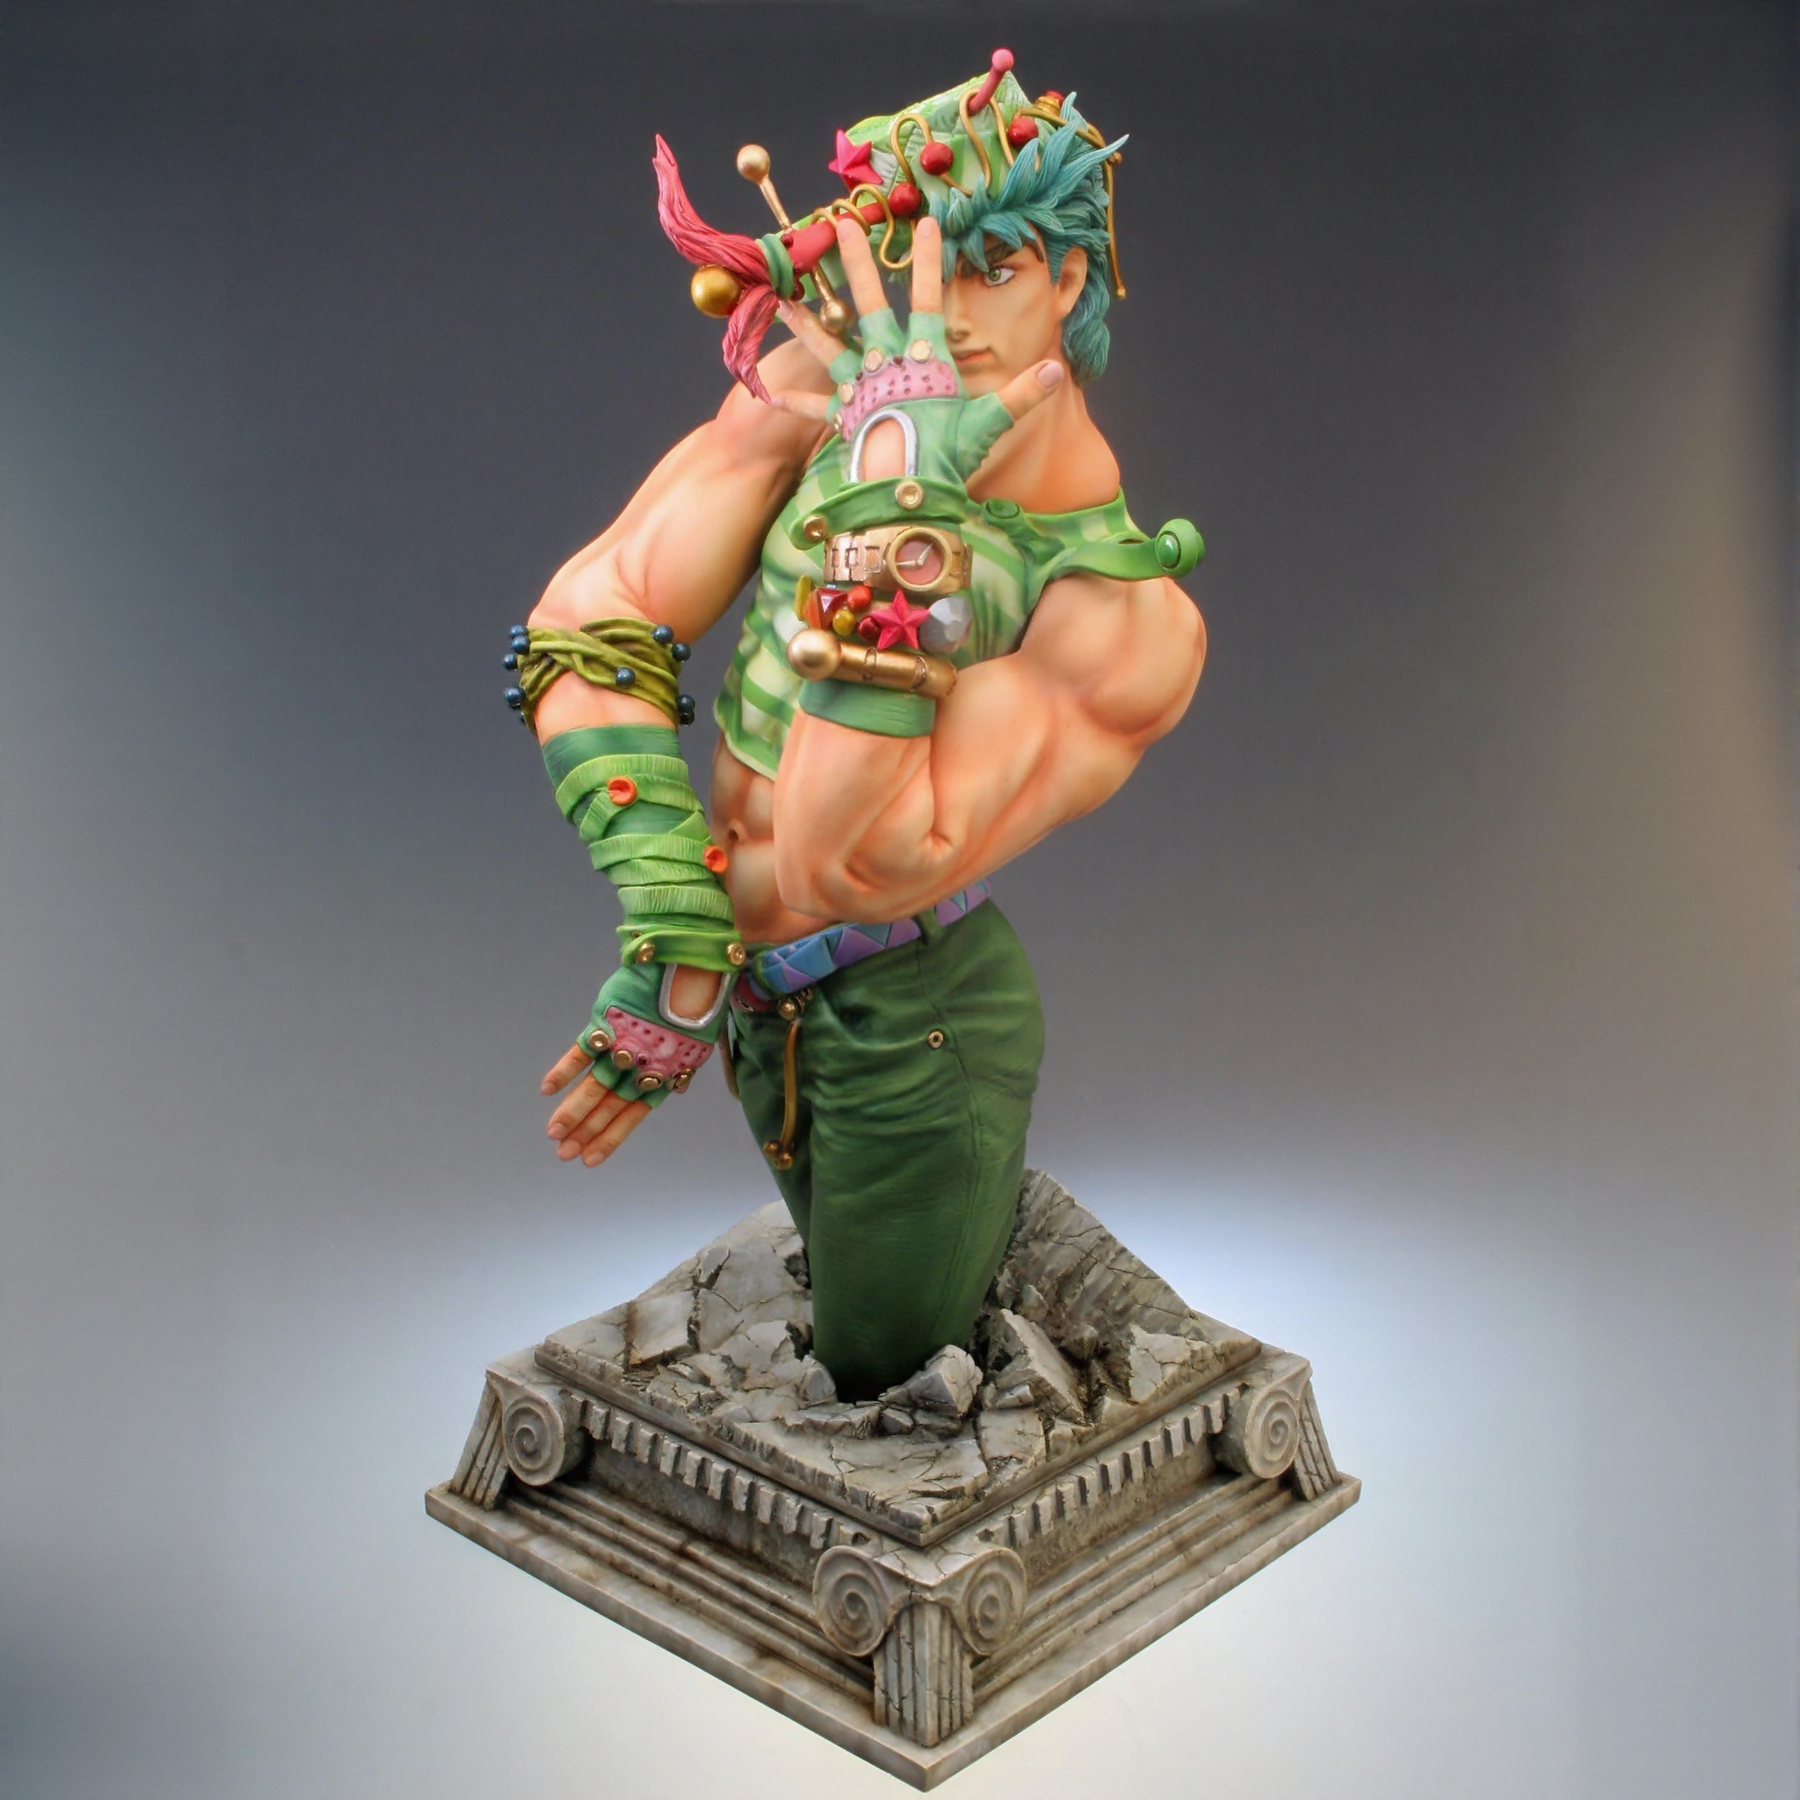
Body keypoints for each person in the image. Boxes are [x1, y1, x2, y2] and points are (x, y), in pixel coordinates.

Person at [508, 59, 1206, 1401]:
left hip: (914, 1022)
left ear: (1070, 274)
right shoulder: (823, 394)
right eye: (917, 261)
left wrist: (899, 513)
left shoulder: (1122, 615)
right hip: (751, 1005)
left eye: (993, 265)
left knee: (883, 1377)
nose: (949, 310)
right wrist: (675, 922)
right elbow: (589, 619)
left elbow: (858, 857)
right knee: (849, 1335)